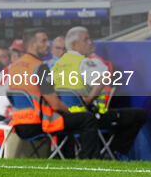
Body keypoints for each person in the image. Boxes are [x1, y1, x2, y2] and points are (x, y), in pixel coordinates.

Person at [53, 27, 147, 158]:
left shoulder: (56, 65)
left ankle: (109, 151)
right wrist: (92, 95)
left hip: (66, 118)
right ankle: (114, 152)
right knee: (139, 114)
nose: (91, 42)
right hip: (89, 118)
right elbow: (105, 77)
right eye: (86, 39)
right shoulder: (84, 63)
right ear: (74, 44)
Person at [7, 29, 100, 159]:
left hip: (19, 124)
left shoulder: (14, 67)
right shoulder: (40, 67)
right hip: (40, 122)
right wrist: (69, 110)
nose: (48, 44)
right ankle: (89, 161)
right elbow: (55, 104)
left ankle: (67, 157)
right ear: (33, 44)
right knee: (86, 119)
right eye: (44, 41)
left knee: (65, 119)